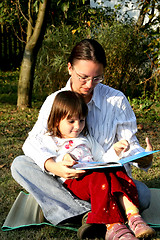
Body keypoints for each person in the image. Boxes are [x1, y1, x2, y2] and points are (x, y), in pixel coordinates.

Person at [11, 39, 153, 239]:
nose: (89, 85)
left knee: (144, 195)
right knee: (20, 164)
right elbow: (33, 142)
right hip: (67, 181)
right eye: (83, 77)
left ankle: (78, 213)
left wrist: (141, 157)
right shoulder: (55, 100)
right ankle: (93, 213)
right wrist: (55, 167)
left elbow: (129, 144)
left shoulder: (116, 100)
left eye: (97, 78)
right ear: (70, 68)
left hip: (108, 179)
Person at [42, 90, 155, 240]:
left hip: (95, 176)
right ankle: (113, 226)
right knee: (99, 177)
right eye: (71, 121)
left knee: (116, 171)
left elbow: (102, 158)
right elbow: (45, 161)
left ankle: (134, 217)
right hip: (74, 181)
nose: (77, 126)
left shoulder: (86, 138)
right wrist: (64, 159)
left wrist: (115, 150)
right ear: (57, 120)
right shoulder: (51, 140)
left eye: (81, 121)